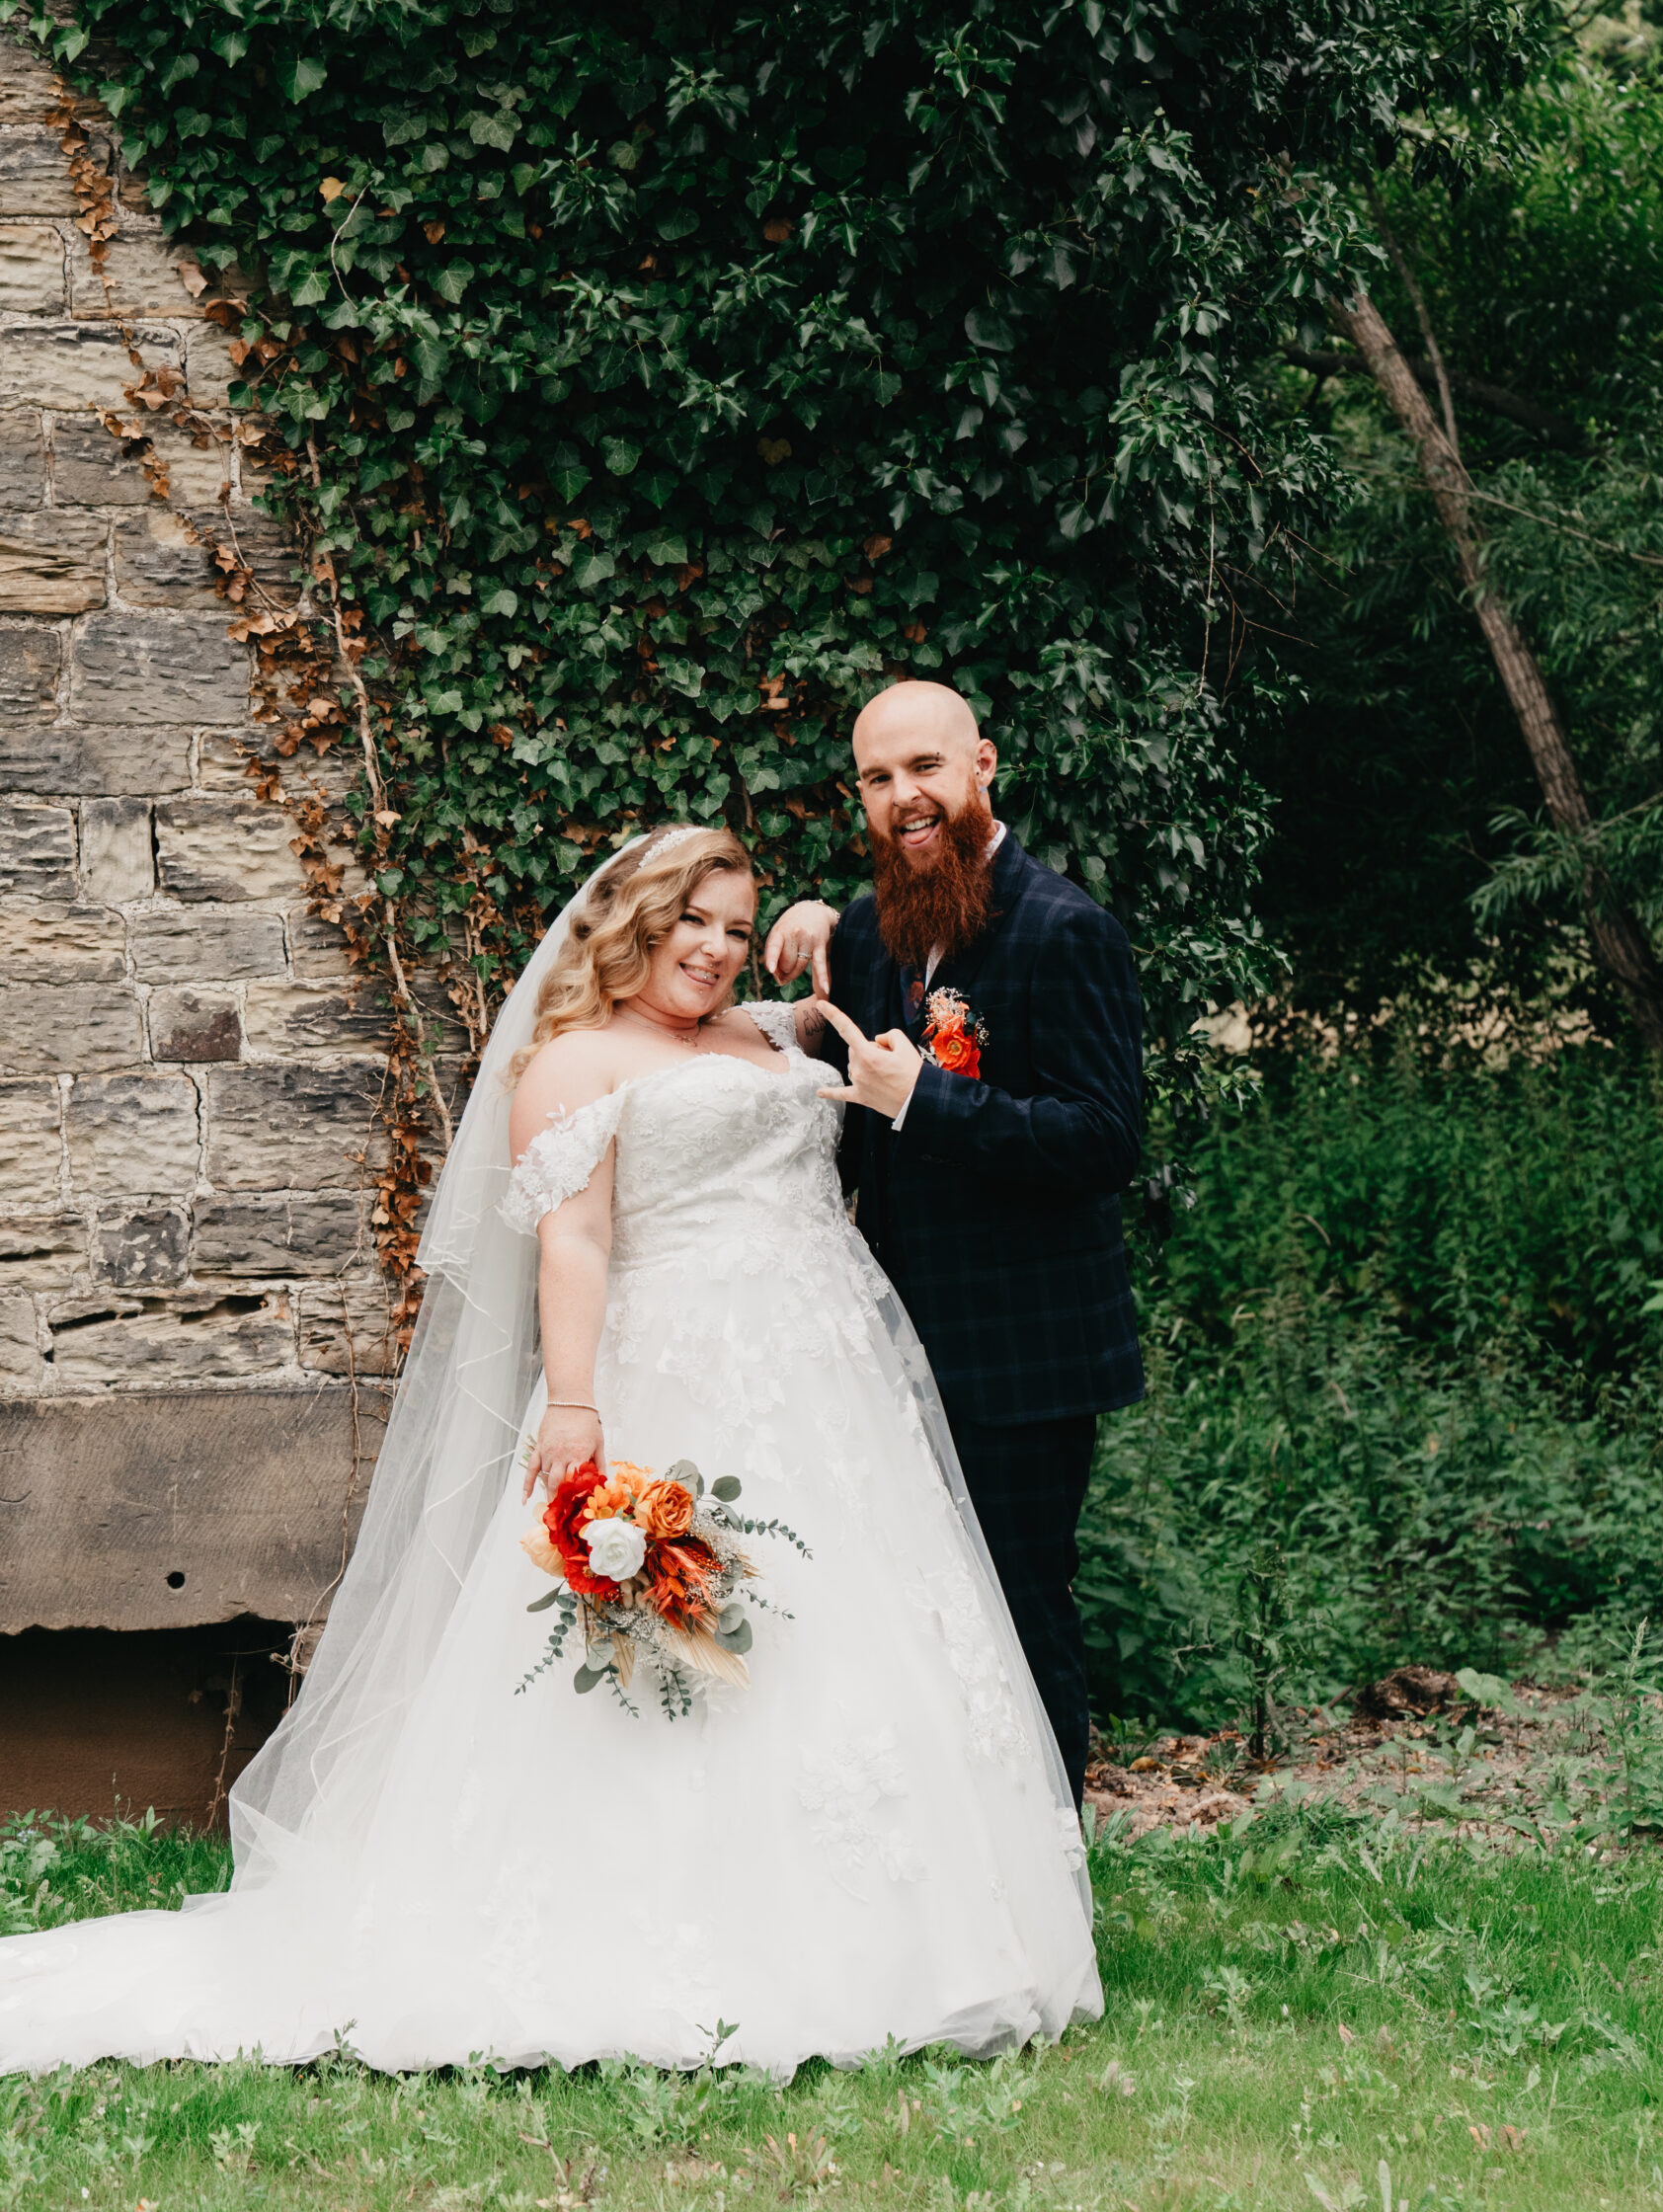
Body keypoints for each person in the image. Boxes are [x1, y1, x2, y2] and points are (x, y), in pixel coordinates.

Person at [0, 825, 1097, 2077]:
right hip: (673, 1369)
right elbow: (571, 1243)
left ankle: (924, 1941)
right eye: (693, 921)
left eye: (734, 930)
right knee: (678, 1649)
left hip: (831, 1379)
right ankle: (677, 1941)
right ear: (632, 919)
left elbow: (851, 1008)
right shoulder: (570, 1064)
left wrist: (808, 926)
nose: (714, 950)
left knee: (856, 1633)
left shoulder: (760, 1033)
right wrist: (573, 1408)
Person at [765, 683, 1144, 1806]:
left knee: (1021, 1612)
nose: (903, 797)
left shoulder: (1064, 927)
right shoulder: (877, 924)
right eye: (878, 780)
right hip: (889, 1344)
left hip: (1022, 1356)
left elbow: (1106, 1136)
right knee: (918, 1617)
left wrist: (928, 1101)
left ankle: (1053, 1884)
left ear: (984, 763)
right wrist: (814, 919)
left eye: (924, 768)